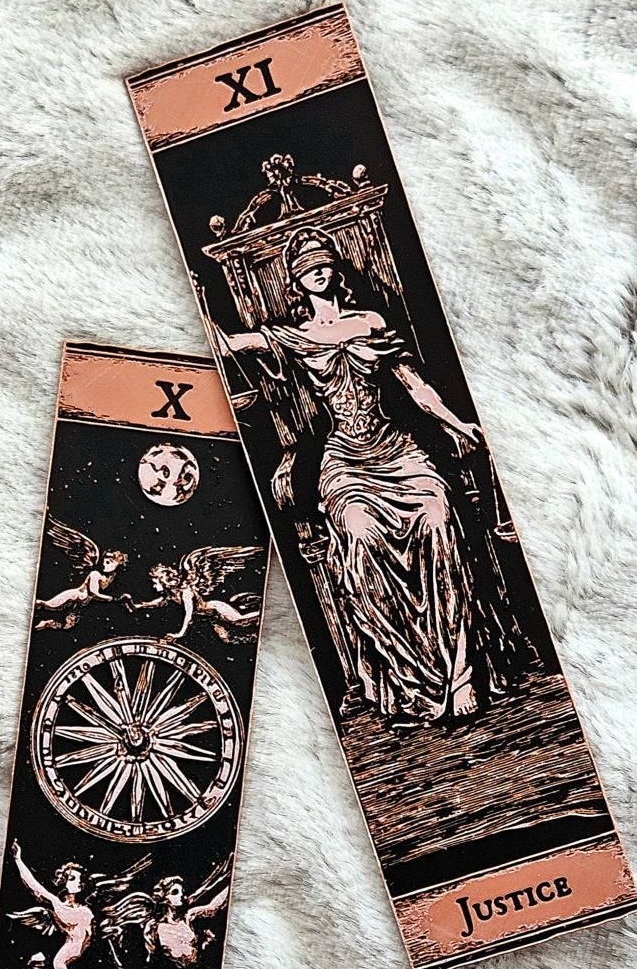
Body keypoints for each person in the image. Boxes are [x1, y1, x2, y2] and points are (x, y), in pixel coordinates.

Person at [220, 230, 519, 724]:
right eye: (307, 268)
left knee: (438, 517)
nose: (318, 272)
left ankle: (461, 671)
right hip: (344, 459)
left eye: (323, 263)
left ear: (335, 268)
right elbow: (231, 344)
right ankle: (414, 675)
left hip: (395, 448)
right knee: (360, 533)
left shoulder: (371, 322)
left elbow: (416, 386)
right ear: (297, 280)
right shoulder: (294, 334)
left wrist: (457, 422)